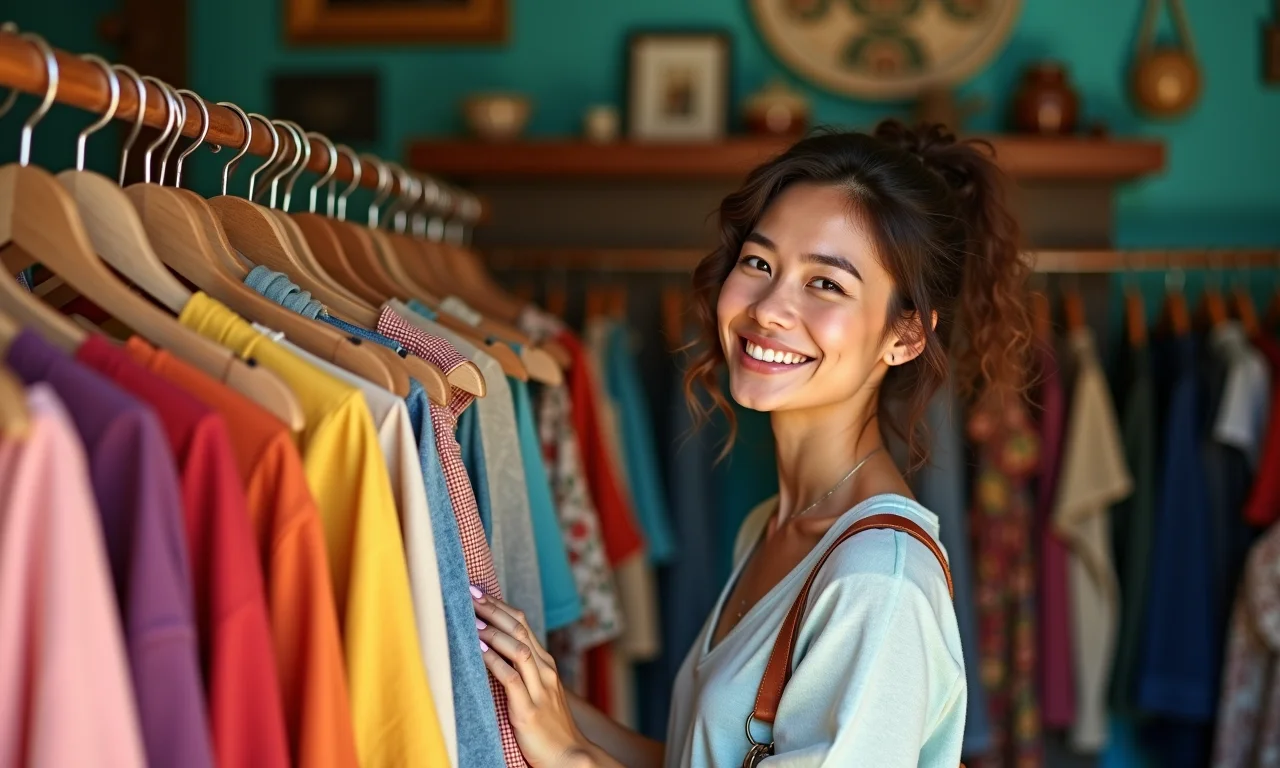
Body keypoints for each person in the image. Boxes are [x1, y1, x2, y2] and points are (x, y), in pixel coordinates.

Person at [471, 120, 1032, 767]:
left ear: (905, 335)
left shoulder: (877, 581)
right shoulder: (772, 529)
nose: (768, 308)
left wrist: (571, 758)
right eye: (759, 263)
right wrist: (545, 701)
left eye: (825, 284)